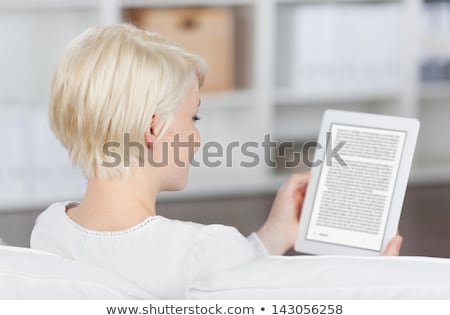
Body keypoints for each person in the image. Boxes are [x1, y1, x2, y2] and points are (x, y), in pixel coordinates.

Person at [30, 24, 403, 299]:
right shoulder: (200, 249)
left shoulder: (48, 230)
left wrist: (271, 238)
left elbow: (217, 282)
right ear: (153, 129)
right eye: (193, 117)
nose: (196, 138)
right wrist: (371, 284)